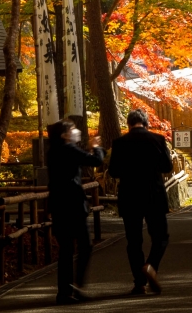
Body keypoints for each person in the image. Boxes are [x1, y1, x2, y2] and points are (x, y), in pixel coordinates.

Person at [107, 109, 175, 295]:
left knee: (134, 241)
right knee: (161, 236)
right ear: (146, 124)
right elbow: (167, 167)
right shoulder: (158, 140)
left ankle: (139, 284)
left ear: (128, 125)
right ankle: (151, 266)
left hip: (130, 197)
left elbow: (113, 171)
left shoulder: (120, 143)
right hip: (154, 194)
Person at [46, 119, 104, 304]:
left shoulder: (52, 152)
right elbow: (96, 160)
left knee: (66, 249)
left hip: (58, 205)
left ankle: (65, 291)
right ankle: (76, 285)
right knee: (85, 245)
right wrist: (96, 147)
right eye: (72, 129)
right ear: (64, 135)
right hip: (74, 205)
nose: (76, 131)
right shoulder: (69, 149)